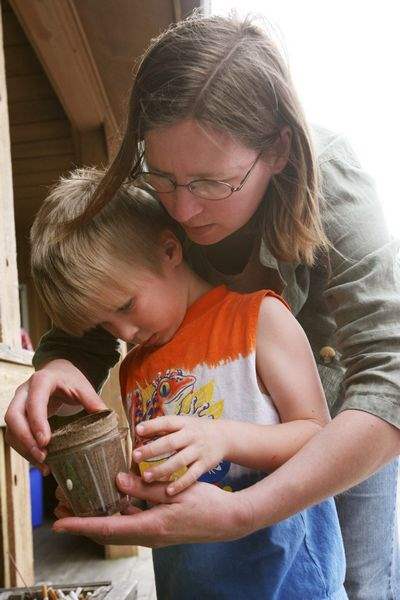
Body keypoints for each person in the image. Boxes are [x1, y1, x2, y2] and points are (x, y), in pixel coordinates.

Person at [4, 13, 400, 599]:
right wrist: (58, 367)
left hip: (347, 425)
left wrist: (242, 513)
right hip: (211, 515)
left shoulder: (334, 183)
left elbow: (389, 377)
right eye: (163, 177)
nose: (182, 213)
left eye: (213, 184)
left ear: (278, 150)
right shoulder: (153, 190)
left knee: (362, 581)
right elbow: (96, 307)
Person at [29, 167, 347, 599]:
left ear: (169, 249)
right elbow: (165, 481)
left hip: (288, 579)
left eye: (126, 304)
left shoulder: (259, 319)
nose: (123, 332)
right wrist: (121, 497)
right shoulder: (134, 367)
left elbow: (317, 435)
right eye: (104, 324)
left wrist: (223, 437)